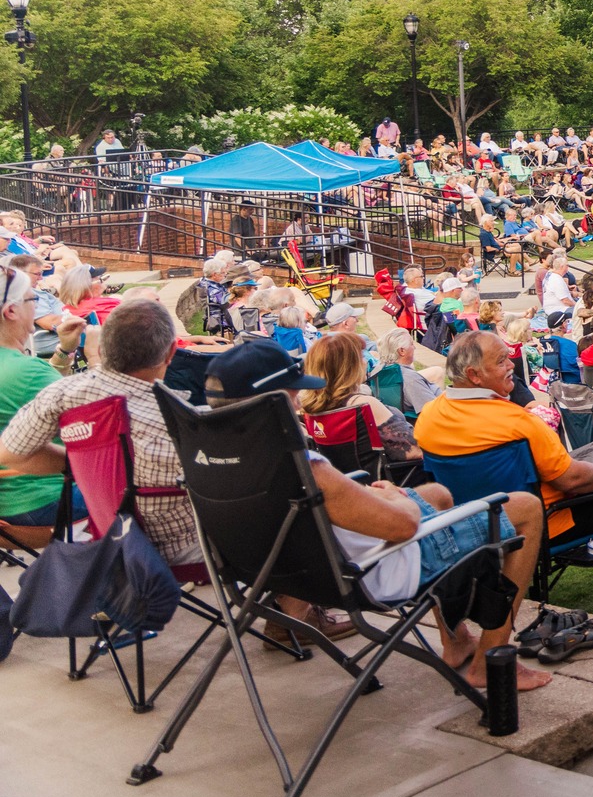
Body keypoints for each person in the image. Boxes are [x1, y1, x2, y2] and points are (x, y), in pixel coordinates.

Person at [205, 340, 552, 690]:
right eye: (292, 397)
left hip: (290, 574)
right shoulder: (303, 468)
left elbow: (329, 506)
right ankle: (492, 660)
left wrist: (366, 495)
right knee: (525, 507)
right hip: (371, 571)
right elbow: (403, 527)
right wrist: (397, 498)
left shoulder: (214, 463)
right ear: (271, 404)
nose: (297, 404)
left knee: (437, 494)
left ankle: (457, 640)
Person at [0, 298, 205, 566]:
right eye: (32, 298)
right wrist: (78, 466)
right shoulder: (183, 422)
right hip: (175, 547)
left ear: (105, 346)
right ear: (170, 352)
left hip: (109, 530)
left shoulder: (61, 394)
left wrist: (86, 467)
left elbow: (9, 452)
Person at [412, 331, 593, 547]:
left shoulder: (428, 418)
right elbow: (572, 479)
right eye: (501, 361)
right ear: (474, 375)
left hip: (471, 530)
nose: (511, 365)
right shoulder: (518, 423)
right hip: (543, 524)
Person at [0, 267, 73, 549]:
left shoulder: (24, 371)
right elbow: (101, 420)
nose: (37, 308)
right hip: (42, 502)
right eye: (32, 300)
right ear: (11, 311)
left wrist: (64, 351)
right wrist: (95, 357)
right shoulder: (27, 372)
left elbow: (44, 397)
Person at [298, 332, 420, 465]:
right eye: (361, 356)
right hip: (391, 480)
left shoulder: (308, 408)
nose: (365, 361)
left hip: (345, 479)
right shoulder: (363, 405)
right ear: (349, 367)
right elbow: (413, 451)